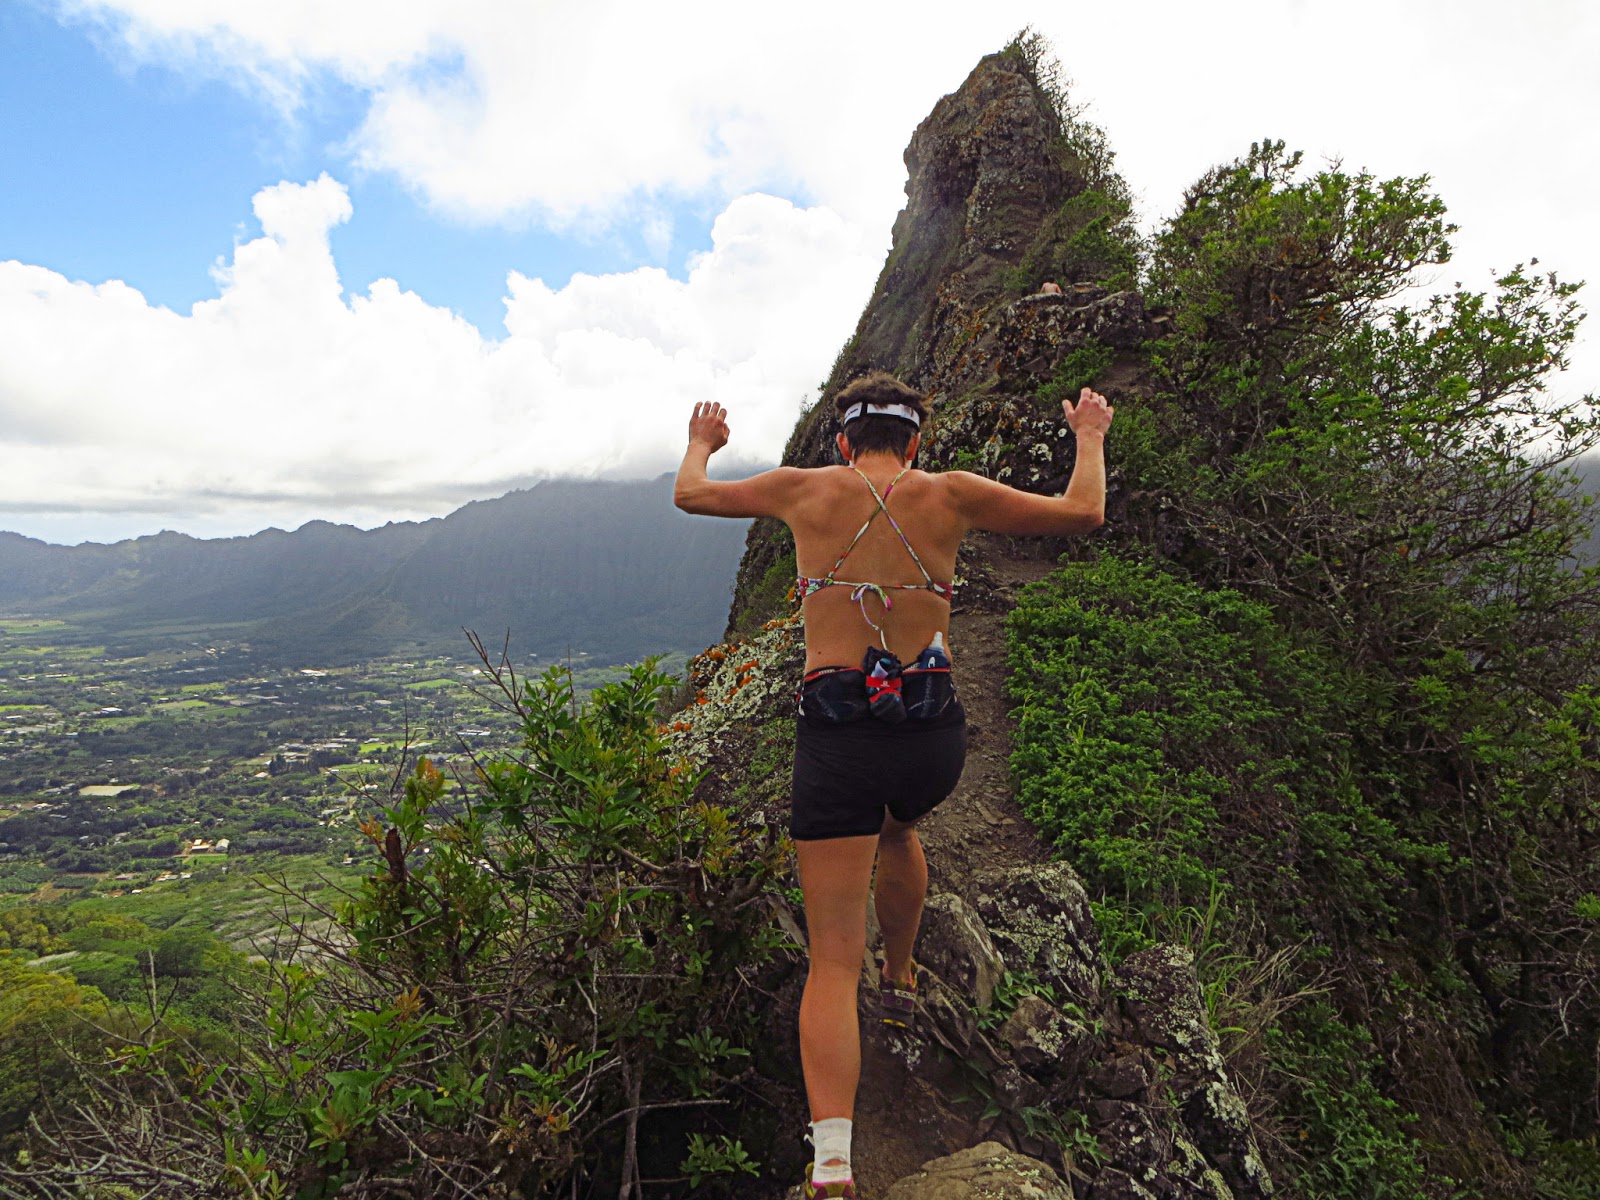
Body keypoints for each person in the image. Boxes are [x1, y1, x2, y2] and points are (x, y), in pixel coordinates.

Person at [673, 371, 1113, 1199]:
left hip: (838, 740)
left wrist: (703, 442)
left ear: (845, 440)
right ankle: (904, 980)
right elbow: (1081, 513)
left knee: (832, 963)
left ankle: (832, 1166)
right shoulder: (949, 492)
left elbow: (691, 495)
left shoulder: (802, 489)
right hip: (928, 739)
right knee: (902, 831)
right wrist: (1088, 433)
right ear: (915, 441)